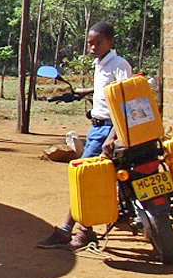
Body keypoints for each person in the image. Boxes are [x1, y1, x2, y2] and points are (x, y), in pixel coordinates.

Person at [37, 22, 132, 250]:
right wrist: (86, 92)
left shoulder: (119, 65)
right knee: (93, 179)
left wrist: (112, 136)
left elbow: (126, 103)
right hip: (97, 127)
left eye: (98, 42)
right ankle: (81, 229)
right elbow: (109, 91)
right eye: (90, 43)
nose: (93, 47)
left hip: (108, 129)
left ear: (110, 42)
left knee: (84, 179)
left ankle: (73, 231)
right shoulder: (102, 64)